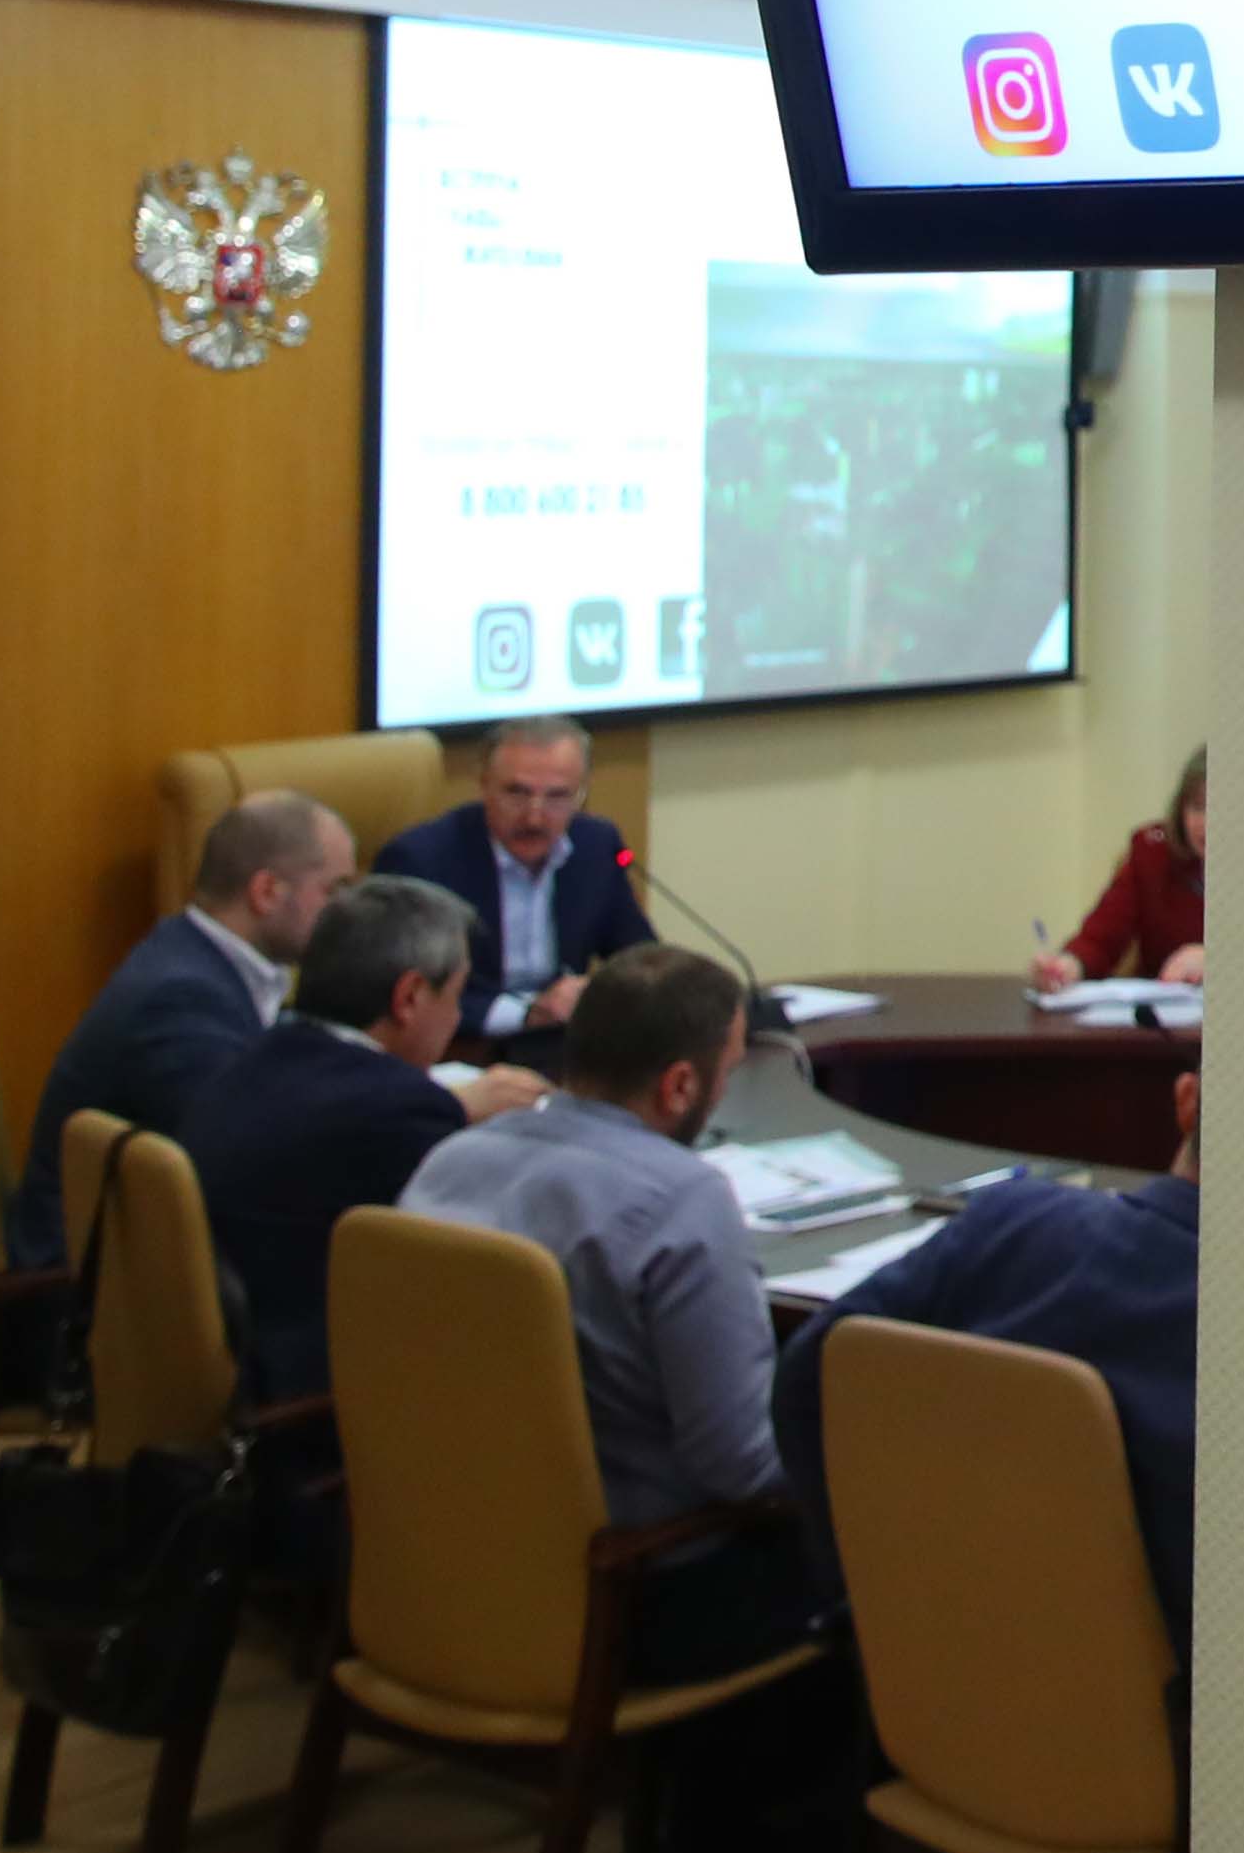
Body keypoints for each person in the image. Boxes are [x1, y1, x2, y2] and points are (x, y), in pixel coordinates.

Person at [774, 1068, 1204, 1853]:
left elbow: (809, 1382)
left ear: (1186, 1100)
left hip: (929, 1718)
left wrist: (867, 1605)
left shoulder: (1008, 1230)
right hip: (1171, 1787)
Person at [401, 945, 799, 1678]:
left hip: (434, 1562)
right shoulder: (683, 1201)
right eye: (729, 1070)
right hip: (621, 1589)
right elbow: (740, 1466)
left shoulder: (449, 1161)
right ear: (680, 1085)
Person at [176, 873, 547, 1400]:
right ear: (409, 997)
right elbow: (467, 1276)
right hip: (305, 1385)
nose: (456, 1016)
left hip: (224, 1343)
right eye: (456, 995)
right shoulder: (399, 1109)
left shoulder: (259, 1052)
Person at [8, 791, 351, 1266]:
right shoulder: (182, 1000)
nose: (345, 913)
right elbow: (246, 1163)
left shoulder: (190, 952)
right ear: (267, 892)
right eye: (334, 890)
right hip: (92, 1281)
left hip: (135, 1252)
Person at [377, 712, 651, 1037]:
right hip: (465, 1043)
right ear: (484, 786)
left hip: (563, 1040)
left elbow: (640, 957)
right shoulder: (421, 859)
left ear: (581, 795)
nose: (535, 818)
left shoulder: (596, 845)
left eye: (557, 797)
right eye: (517, 793)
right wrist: (525, 1015)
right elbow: (401, 989)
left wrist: (597, 995)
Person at [1039, 745, 1210, 992]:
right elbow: (1099, 940)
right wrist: (1068, 966)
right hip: (1161, 1011)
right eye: (1198, 807)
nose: (1206, 822)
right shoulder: (1153, 854)